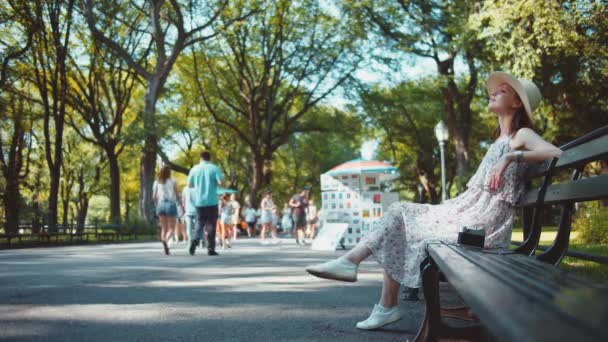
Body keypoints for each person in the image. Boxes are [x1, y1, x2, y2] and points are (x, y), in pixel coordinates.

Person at [305, 72, 562, 330]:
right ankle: (375, 293)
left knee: (401, 216)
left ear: (517, 103)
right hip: (469, 211)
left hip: (485, 223)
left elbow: (554, 152)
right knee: (400, 216)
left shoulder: (522, 134)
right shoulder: (499, 140)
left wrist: (510, 158)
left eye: (503, 90)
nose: (494, 92)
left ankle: (367, 282)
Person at [187, 151, 224, 256]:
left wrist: (199, 184)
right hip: (212, 201)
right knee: (211, 224)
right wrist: (213, 183)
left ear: (201, 158)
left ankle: (195, 239)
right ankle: (210, 249)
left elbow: (189, 185)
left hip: (199, 202)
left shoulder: (194, 169)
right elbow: (220, 183)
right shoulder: (214, 168)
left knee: (199, 222)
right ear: (209, 158)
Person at [153, 165, 182, 255]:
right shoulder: (173, 181)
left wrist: (156, 205)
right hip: (170, 204)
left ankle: (164, 245)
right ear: (169, 172)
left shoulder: (156, 182)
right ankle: (166, 240)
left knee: (164, 228)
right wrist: (180, 202)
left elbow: (154, 197)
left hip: (160, 205)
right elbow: (177, 194)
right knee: (172, 228)